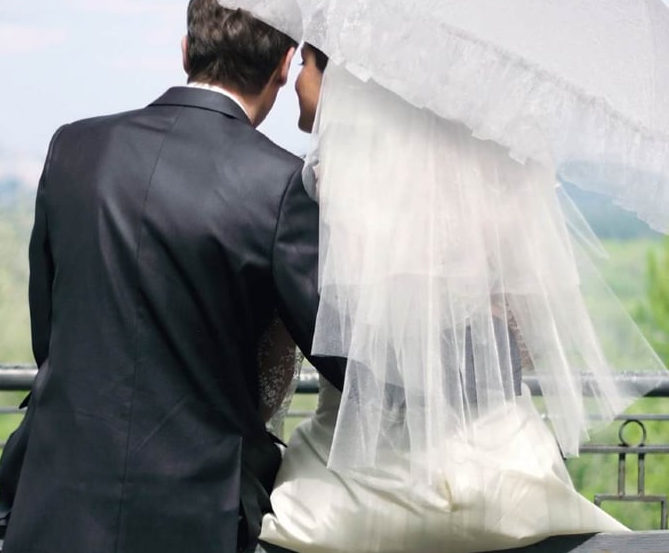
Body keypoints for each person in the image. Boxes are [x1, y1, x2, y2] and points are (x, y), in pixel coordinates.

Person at [0, 0, 345, 553]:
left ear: (186, 48)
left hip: (57, 503)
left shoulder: (74, 148)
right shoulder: (283, 183)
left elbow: (49, 335)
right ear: (285, 64)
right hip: (201, 515)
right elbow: (336, 349)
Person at [256, 43, 662, 553]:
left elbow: (310, 330)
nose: (299, 79)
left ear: (346, 79)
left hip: (347, 485)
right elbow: (531, 341)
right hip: (504, 479)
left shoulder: (320, 185)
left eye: (309, 65)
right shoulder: (495, 173)